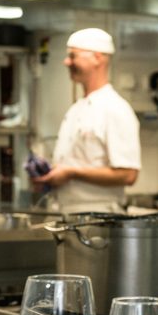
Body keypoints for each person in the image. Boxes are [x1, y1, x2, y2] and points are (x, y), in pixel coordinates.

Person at [34, 28, 141, 212]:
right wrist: (51, 175)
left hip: (99, 216)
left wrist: (71, 173)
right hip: (66, 211)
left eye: (73, 56)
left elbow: (128, 174)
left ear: (97, 58)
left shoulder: (115, 109)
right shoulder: (77, 109)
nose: (66, 62)